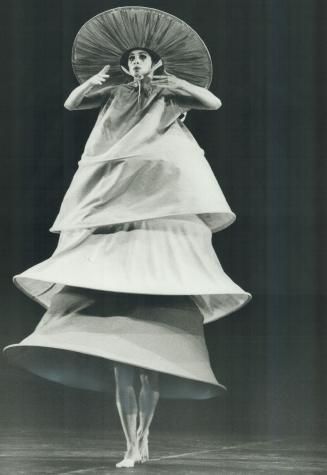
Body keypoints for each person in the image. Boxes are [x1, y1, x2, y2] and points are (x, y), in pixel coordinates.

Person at [3, 7, 252, 469]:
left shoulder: (170, 95)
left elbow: (212, 103)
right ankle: (131, 447)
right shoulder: (114, 91)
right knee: (122, 368)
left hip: (156, 206)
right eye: (132, 58)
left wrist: (173, 83)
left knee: (151, 371)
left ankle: (145, 440)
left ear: (155, 62)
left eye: (143, 58)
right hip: (117, 203)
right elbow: (72, 104)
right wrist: (94, 81)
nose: (136, 63)